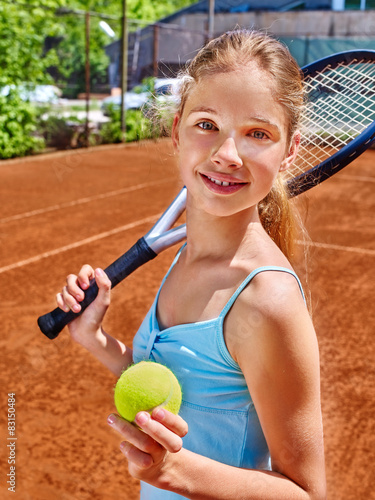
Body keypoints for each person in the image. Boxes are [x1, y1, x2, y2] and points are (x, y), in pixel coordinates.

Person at [56, 29, 326, 500]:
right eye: (207, 124)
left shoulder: (267, 300)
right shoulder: (191, 255)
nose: (226, 154)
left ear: (290, 151)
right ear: (177, 129)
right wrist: (96, 340)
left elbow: (306, 493)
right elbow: (180, 385)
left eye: (257, 134)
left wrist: (176, 472)